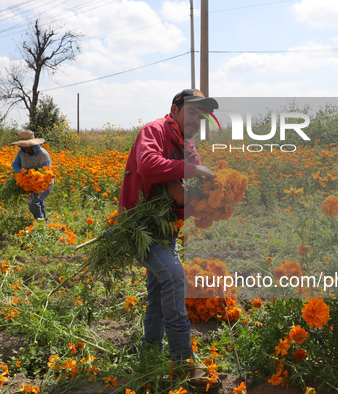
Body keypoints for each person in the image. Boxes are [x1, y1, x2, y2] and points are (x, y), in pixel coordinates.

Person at [119, 89, 219, 390]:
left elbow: (190, 198)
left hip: (166, 231)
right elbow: (149, 166)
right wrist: (191, 171)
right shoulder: (154, 131)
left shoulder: (189, 148)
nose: (196, 122)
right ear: (175, 110)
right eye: (192, 113)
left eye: (202, 118)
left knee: (159, 292)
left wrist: (210, 202)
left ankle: (150, 349)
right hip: (138, 227)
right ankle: (183, 360)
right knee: (175, 278)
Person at [11, 130, 53, 221]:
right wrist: (23, 173)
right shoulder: (21, 152)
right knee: (37, 201)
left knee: (33, 201)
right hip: (30, 182)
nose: (25, 148)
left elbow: (47, 174)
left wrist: (34, 176)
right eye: (23, 145)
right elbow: (15, 164)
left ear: (33, 144)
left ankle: (40, 223)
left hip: (44, 183)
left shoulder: (42, 154)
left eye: (27, 146)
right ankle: (45, 223)